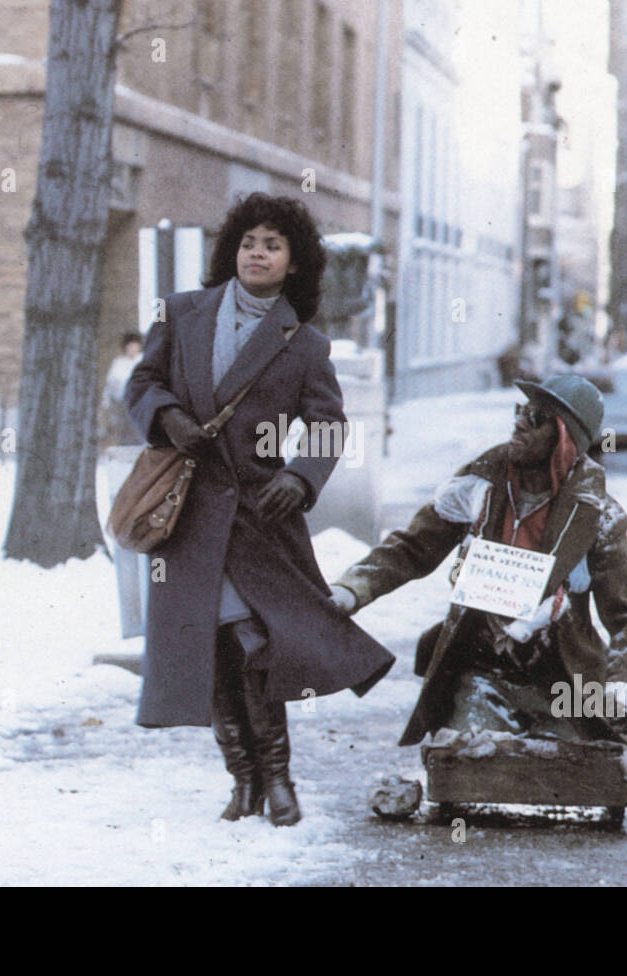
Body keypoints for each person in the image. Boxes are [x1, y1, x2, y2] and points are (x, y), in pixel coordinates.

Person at [123, 193, 394, 826]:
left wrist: (301, 479)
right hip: (187, 516)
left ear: (294, 264)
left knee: (253, 642)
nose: (257, 253)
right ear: (232, 251)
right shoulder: (183, 314)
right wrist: (166, 417)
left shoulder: (304, 345)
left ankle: (278, 780)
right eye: (248, 242)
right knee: (210, 646)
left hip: (257, 521)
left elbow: (328, 425)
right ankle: (242, 780)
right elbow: (141, 383)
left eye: (273, 245)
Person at [326, 375, 627, 750]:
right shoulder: (478, 487)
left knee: (577, 766)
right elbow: (412, 547)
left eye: (536, 417)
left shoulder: (598, 516)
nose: (518, 422)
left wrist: (623, 681)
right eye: (520, 411)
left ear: (564, 441)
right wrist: (351, 590)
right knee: (470, 755)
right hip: (481, 669)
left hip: (562, 677)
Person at [99, 331, 144, 446]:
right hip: (121, 403)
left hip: (140, 402)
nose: (132, 348)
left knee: (138, 431)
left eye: (135, 345)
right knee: (123, 431)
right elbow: (110, 383)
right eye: (129, 345)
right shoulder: (118, 362)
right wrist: (106, 401)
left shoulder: (143, 361)